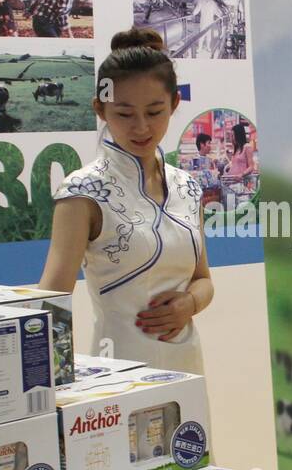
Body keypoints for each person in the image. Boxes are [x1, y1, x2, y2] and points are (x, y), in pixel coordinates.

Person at [39, 27, 211, 374]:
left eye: (154, 111)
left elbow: (202, 278)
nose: (141, 127)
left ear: (174, 104)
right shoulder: (82, 193)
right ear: (100, 110)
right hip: (116, 377)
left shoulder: (187, 187)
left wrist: (188, 304)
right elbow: (51, 300)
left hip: (187, 365)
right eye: (125, 113)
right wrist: (53, 385)